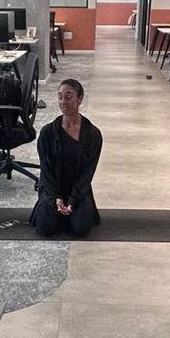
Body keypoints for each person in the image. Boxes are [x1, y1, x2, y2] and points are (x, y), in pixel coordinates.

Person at [31, 78, 102, 238]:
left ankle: (71, 211)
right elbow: (46, 171)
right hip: (52, 188)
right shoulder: (47, 133)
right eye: (60, 97)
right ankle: (54, 209)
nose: (63, 102)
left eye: (69, 97)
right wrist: (55, 197)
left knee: (80, 230)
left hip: (78, 190)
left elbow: (87, 174)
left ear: (80, 99)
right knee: (45, 228)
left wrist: (73, 199)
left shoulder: (92, 134)